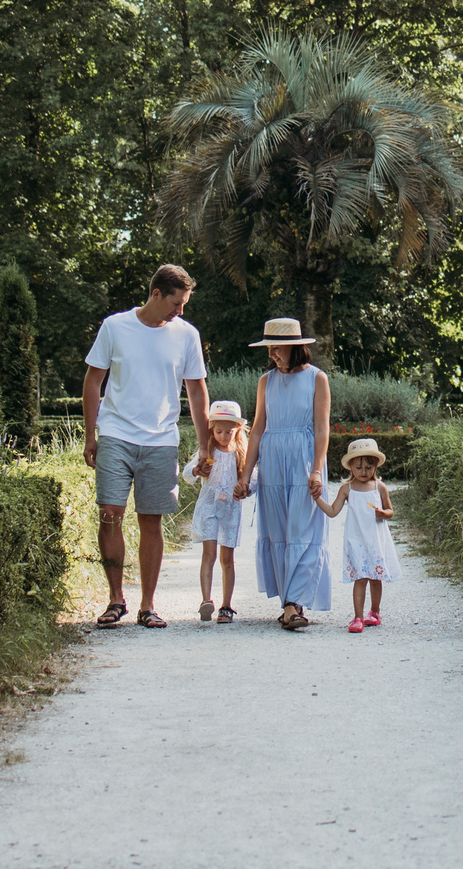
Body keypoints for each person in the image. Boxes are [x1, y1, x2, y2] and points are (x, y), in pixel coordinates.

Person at [80, 265, 211, 629]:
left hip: (160, 440)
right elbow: (93, 382)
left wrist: (205, 446)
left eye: (184, 304)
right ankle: (115, 599)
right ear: (156, 294)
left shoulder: (186, 335)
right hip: (116, 435)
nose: (180, 311)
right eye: (176, 302)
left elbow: (197, 391)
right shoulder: (115, 327)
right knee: (110, 514)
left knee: (151, 521)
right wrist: (91, 435)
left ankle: (148, 605)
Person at [237, 318, 330, 631]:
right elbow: (258, 429)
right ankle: (290, 603)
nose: (272, 354)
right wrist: (245, 474)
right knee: (278, 531)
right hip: (273, 458)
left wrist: (317, 469)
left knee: (304, 529)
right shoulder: (266, 381)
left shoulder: (318, 379)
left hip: (304, 459)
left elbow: (321, 427)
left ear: (294, 347)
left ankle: (294, 602)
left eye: (276, 347)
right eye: (269, 348)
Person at [314, 437, 399, 633]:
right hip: (356, 540)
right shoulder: (347, 489)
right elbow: (333, 511)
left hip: (376, 539)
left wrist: (383, 513)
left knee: (375, 578)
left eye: (369, 467)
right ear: (350, 466)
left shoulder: (379, 487)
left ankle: (375, 612)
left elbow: (390, 511)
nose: (363, 472)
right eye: (359, 467)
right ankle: (358, 617)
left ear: (376, 466)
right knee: (360, 578)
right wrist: (317, 498)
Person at [185, 398, 253, 623]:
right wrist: (197, 470)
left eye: (229, 432)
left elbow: (254, 478)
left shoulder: (240, 452)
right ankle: (206, 600)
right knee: (209, 554)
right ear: (211, 430)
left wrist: (245, 488)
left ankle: (226, 605)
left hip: (231, 510)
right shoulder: (208, 451)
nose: (224, 436)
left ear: (238, 430)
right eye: (219, 431)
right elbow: (187, 474)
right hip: (209, 508)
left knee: (228, 559)